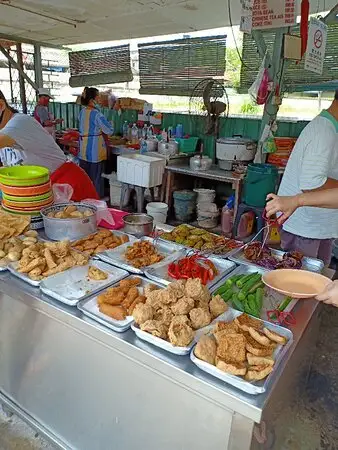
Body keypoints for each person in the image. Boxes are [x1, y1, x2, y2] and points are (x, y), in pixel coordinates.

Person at [276, 89, 338, 266]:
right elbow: (312, 183)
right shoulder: (323, 133)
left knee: (316, 279)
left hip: (317, 225)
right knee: (299, 281)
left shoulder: (330, 129)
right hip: (306, 227)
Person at [0, 90, 99, 201]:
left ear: (1, 106)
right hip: (44, 193)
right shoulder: (3, 133)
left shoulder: (19, 122)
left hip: (68, 187)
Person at [78, 87, 114, 198]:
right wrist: (110, 122)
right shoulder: (97, 114)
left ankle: (85, 200)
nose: (99, 98)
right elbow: (109, 130)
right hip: (95, 151)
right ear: (92, 99)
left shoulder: (82, 112)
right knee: (97, 179)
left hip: (83, 150)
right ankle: (97, 201)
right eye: (98, 96)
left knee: (85, 179)